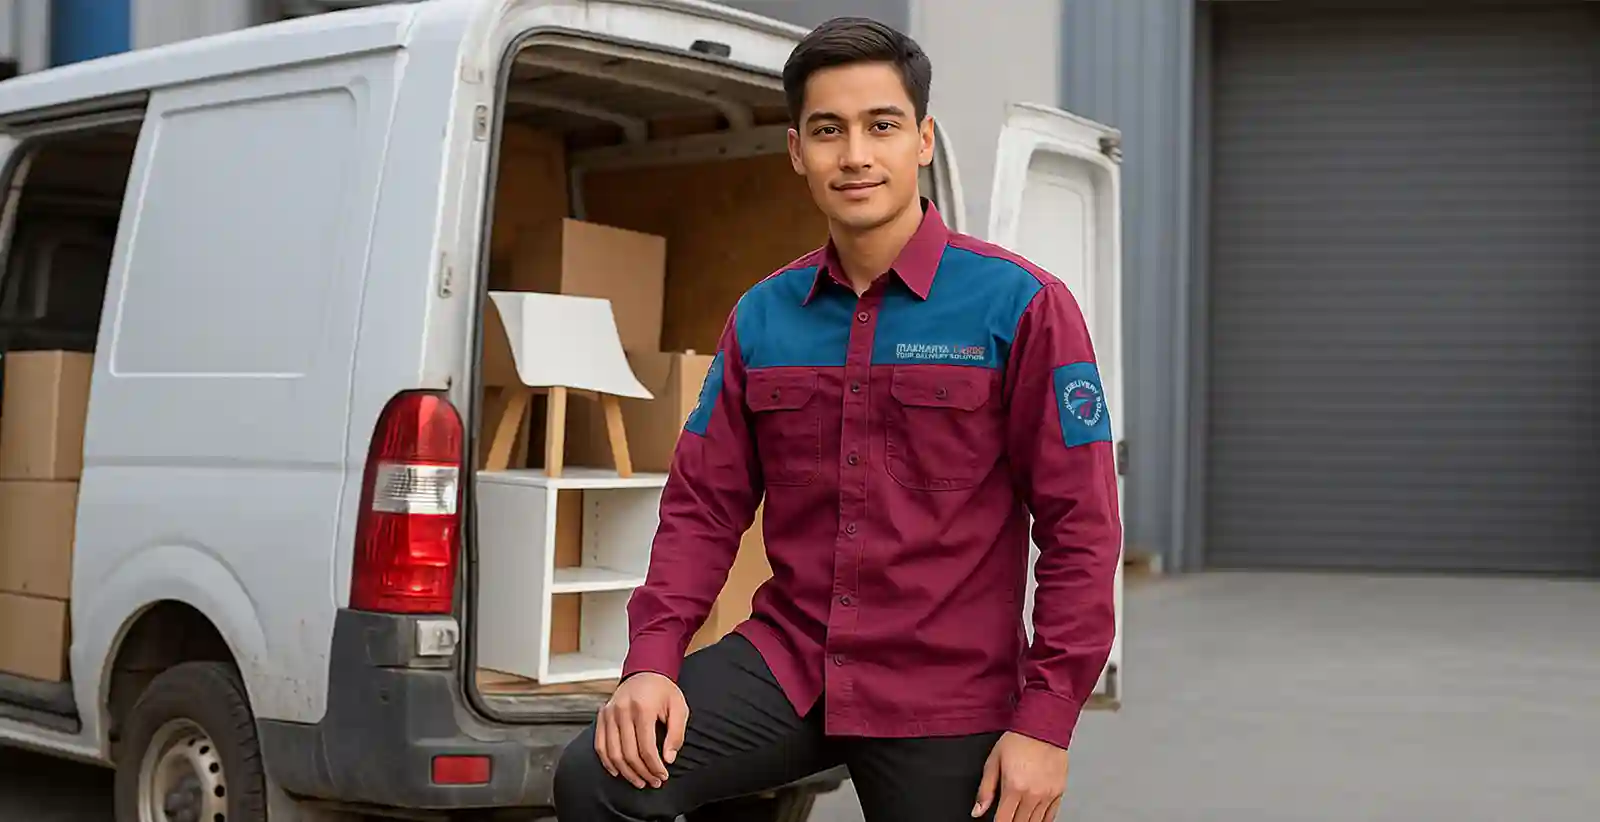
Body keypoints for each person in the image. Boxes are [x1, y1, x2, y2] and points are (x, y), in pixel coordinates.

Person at [553, 15, 1121, 822]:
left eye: (881, 126)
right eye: (829, 130)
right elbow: (703, 506)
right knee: (599, 777)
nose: (855, 154)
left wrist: (1046, 723)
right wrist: (651, 659)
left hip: (948, 689)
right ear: (797, 152)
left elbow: (1081, 528)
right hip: (792, 663)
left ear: (922, 141)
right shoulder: (764, 316)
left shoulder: (1023, 306)